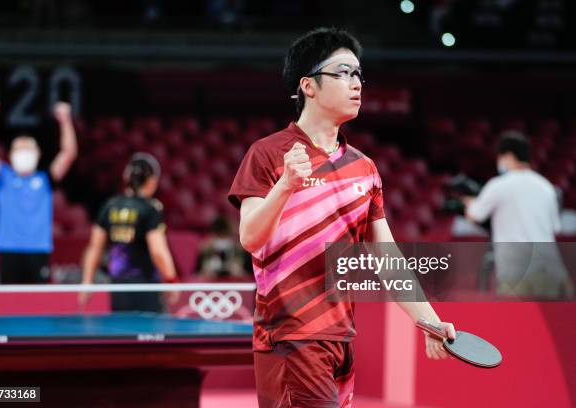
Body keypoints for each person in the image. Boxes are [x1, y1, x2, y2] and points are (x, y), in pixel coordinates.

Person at [228, 27, 456, 408]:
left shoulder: (363, 168)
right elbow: (250, 237)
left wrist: (428, 320)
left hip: (341, 339)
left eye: (358, 75)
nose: (356, 84)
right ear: (308, 86)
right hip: (290, 337)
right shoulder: (268, 154)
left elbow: (386, 256)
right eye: (343, 73)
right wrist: (286, 185)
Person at [0, 97, 77, 283]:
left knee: (39, 304)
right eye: (19, 149)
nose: (24, 153)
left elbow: (68, 153)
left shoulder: (45, 179)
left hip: (38, 250)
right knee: (9, 304)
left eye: (28, 148)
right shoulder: (3, 178)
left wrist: (65, 120)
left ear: (38, 154)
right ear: (11, 155)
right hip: (9, 250)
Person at [464, 131, 574, 298]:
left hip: (516, 271)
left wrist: (469, 203)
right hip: (551, 268)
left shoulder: (498, 185)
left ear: (507, 156)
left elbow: (474, 215)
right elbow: (555, 228)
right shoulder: (546, 187)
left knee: (518, 323)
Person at [79, 153, 178, 313]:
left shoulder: (109, 206)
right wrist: (171, 280)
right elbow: (158, 251)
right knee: (151, 336)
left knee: (123, 332)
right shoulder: (151, 208)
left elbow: (94, 248)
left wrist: (87, 281)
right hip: (145, 286)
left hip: (118, 285)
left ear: (127, 177)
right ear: (152, 181)